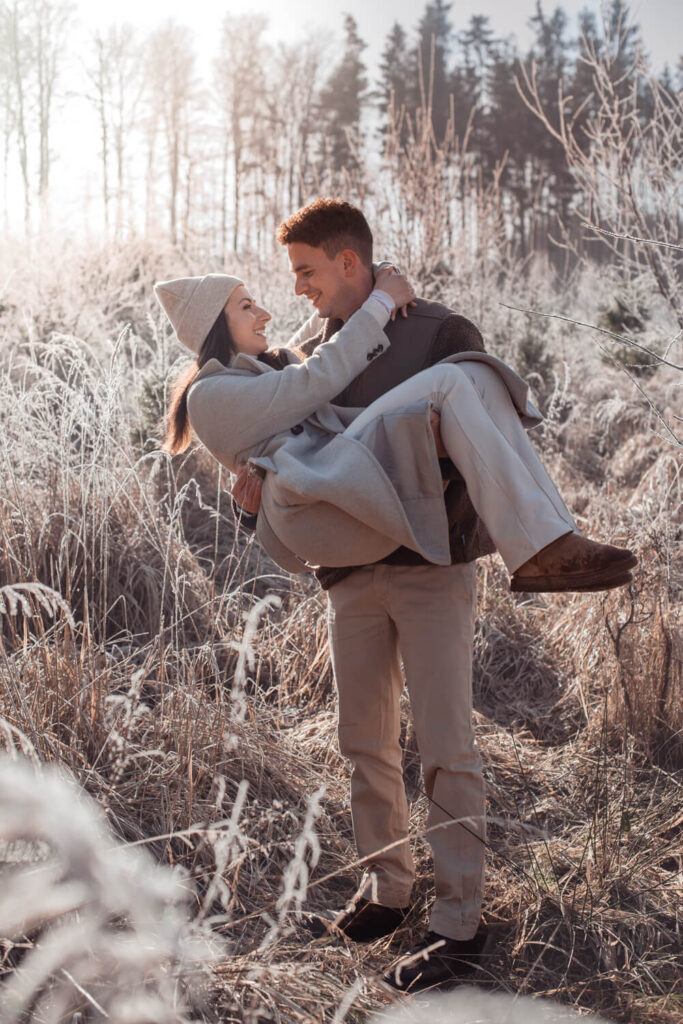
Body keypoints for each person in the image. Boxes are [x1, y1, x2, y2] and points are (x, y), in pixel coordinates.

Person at [155, 201, 635, 992]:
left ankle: (457, 920)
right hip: (351, 579)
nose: (290, 296)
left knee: (447, 745)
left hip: (426, 568)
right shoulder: (289, 363)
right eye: (260, 296)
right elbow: (305, 403)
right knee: (363, 743)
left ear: (349, 263)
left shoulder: (430, 329)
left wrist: (390, 303)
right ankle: (386, 891)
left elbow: (479, 438)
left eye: (305, 272)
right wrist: (259, 497)